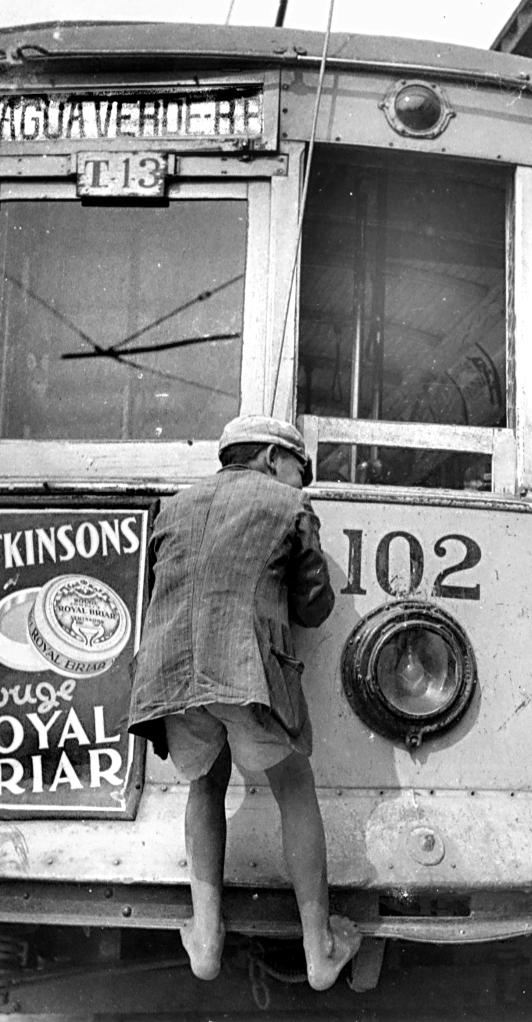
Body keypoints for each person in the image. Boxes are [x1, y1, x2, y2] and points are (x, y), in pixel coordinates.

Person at [128, 415, 361, 990]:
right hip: (245, 670)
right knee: (294, 787)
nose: (304, 482)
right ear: (270, 458)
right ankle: (320, 949)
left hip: (168, 676)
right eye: (300, 469)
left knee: (205, 785)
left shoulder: (173, 508)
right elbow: (314, 607)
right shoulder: (288, 505)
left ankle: (206, 941)